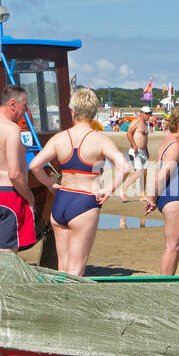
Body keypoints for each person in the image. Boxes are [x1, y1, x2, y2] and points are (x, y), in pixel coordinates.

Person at [28, 86, 128, 276]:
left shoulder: (59, 138)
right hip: (85, 201)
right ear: (94, 112)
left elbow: (34, 166)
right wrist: (108, 189)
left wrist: (50, 185)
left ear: (72, 112)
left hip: (62, 200)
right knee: (76, 271)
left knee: (62, 269)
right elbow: (125, 167)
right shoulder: (100, 140)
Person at [0, 84, 52, 253]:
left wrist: (20, 147)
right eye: (24, 105)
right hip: (9, 195)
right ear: (12, 104)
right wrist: (30, 197)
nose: (25, 110)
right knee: (8, 254)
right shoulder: (11, 129)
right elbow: (14, 174)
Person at [144, 105, 179, 275]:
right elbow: (161, 175)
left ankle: (166, 281)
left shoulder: (172, 141)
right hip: (171, 198)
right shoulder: (174, 146)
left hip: (170, 197)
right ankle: (164, 283)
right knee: (173, 245)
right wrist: (152, 198)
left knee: (176, 244)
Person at [119, 106, 152, 202]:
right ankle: (123, 189)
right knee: (139, 172)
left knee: (144, 173)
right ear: (141, 113)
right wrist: (134, 145)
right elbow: (128, 133)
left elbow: (145, 139)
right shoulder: (136, 122)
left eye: (149, 113)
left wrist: (147, 150)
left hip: (143, 151)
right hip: (135, 151)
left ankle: (142, 194)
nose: (148, 115)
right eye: (147, 113)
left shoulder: (146, 124)